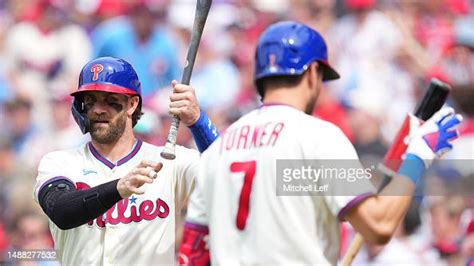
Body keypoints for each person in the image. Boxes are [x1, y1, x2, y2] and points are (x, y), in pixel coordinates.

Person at [178, 21, 463, 265]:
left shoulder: (220, 148)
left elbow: (192, 254)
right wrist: (416, 157)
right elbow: (379, 225)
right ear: (313, 72)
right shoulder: (318, 137)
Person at [33, 56, 218, 265]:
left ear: (132, 104)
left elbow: (226, 175)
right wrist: (119, 188)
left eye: (109, 100)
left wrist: (197, 121)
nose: (97, 109)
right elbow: (62, 211)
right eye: (90, 101)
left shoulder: (169, 161)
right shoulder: (60, 162)